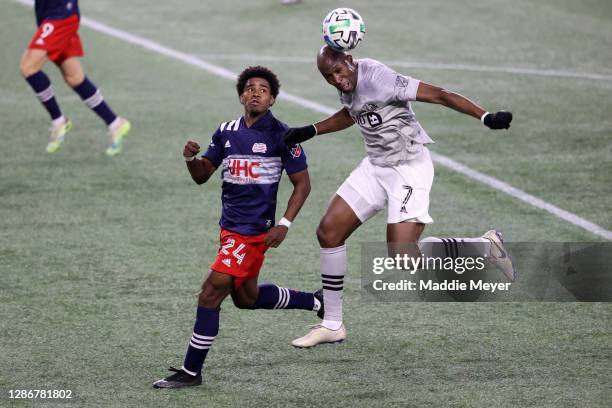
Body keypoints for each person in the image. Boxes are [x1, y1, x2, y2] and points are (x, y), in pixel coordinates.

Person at [284, 46, 515, 348]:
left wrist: (485, 116)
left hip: (408, 168)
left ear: (350, 61)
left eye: (339, 71)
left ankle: (486, 246)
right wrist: (311, 130)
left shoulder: (381, 78)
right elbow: (353, 114)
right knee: (329, 232)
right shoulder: (347, 84)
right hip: (375, 167)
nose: (337, 80)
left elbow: (440, 94)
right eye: (329, 77)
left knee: (403, 257)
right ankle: (332, 324)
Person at [153, 66, 322, 389]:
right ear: (242, 96)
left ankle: (191, 371)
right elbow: (203, 174)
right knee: (246, 298)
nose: (255, 92)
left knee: (210, 292)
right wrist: (191, 159)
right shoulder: (226, 131)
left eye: (263, 89)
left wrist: (284, 224)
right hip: (230, 231)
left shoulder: (283, 136)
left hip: (254, 233)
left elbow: (303, 184)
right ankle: (316, 302)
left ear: (272, 99)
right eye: (249, 88)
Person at [20, 0, 130, 156]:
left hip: (61, 14)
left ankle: (58, 120)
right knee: (74, 77)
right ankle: (115, 123)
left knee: (28, 67)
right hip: (47, 12)